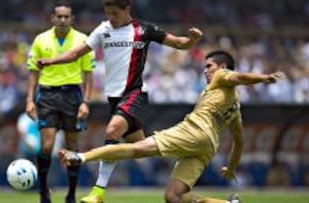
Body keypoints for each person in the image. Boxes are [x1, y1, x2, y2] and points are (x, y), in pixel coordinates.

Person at [59, 50, 286, 203]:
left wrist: (263, 78)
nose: (206, 71)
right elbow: (239, 141)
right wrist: (231, 168)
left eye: (209, 66)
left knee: (138, 148)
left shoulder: (221, 76)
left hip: (194, 132)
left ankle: (81, 157)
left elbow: (239, 76)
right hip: (207, 148)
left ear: (222, 67)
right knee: (173, 197)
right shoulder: (235, 105)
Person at [37, 0, 202, 202]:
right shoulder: (103, 29)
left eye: (114, 13)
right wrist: (51, 61)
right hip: (115, 99)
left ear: (127, 10)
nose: (111, 18)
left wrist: (192, 39)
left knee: (111, 132)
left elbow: (179, 43)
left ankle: (98, 192)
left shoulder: (144, 29)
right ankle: (186, 157)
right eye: (107, 13)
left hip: (135, 94)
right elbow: (75, 54)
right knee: (142, 149)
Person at [25, 1, 96, 203]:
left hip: (72, 95)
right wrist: (29, 100)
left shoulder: (83, 40)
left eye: (67, 17)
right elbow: (33, 72)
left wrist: (86, 102)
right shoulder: (41, 40)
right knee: (47, 146)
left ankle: (71, 194)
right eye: (59, 16)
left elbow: (89, 74)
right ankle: (43, 191)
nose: (63, 20)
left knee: (72, 146)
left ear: (72, 19)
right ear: (53, 18)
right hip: (47, 95)